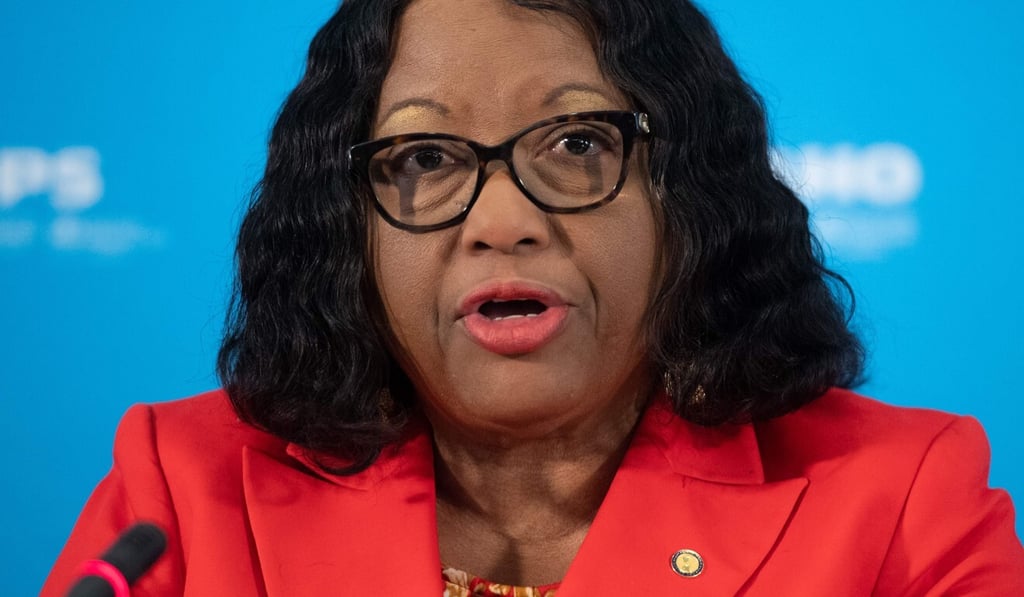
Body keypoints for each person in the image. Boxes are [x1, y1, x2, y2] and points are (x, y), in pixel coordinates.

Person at [43, 0, 1024, 595]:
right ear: (350, 227)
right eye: (423, 157)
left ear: (687, 195)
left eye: (577, 144)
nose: (501, 219)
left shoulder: (900, 502)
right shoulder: (178, 493)